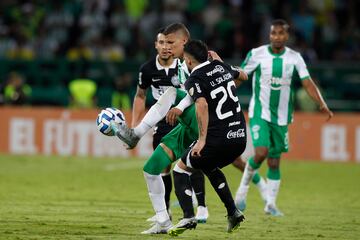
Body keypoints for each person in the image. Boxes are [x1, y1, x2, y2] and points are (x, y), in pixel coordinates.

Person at [111, 23, 210, 234]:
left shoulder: (197, 64)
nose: (167, 47)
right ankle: (163, 220)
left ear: (183, 42)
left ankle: (201, 206)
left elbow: (203, 93)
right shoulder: (155, 68)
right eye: (163, 42)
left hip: (195, 120)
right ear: (155, 45)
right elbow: (140, 96)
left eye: (170, 43)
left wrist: (236, 73)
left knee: (172, 94)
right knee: (152, 169)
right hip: (174, 125)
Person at [234, 19, 333, 216]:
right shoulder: (256, 54)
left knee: (274, 161)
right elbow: (239, 76)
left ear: (287, 36)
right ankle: (241, 192)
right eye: (273, 33)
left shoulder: (295, 57)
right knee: (261, 152)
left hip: (281, 117)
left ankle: (270, 204)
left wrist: (321, 103)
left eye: (280, 33)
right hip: (259, 112)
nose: (276, 37)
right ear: (269, 35)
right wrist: (224, 93)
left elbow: (307, 82)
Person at [168, 40, 247, 236]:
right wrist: (225, 73)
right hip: (239, 138)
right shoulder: (221, 66)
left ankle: (187, 216)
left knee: (179, 170)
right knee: (208, 165)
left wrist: (202, 140)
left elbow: (201, 105)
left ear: (188, 61)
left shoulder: (194, 78)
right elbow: (243, 76)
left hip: (217, 140)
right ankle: (233, 212)